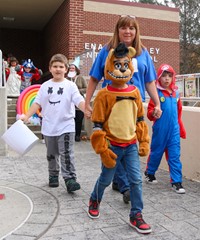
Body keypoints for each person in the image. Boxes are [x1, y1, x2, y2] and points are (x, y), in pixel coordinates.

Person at [85, 15, 162, 203]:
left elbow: (150, 80)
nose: (128, 31)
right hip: (111, 105)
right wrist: (87, 102)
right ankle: (126, 186)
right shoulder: (107, 50)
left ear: (136, 31)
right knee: (114, 142)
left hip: (134, 106)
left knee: (130, 143)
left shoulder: (142, 52)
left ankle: (118, 181)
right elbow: (95, 77)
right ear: (117, 30)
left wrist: (157, 103)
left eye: (131, 28)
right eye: (123, 28)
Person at [88, 42, 152, 234]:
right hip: (112, 146)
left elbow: (140, 119)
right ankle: (94, 199)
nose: (122, 69)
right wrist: (103, 150)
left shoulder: (134, 92)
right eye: (118, 65)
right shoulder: (104, 94)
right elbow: (97, 125)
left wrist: (143, 141)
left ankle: (136, 214)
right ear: (109, 66)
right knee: (106, 179)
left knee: (136, 180)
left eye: (125, 65)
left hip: (131, 144)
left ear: (130, 66)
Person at [20, 53, 85, 193]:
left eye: (61, 66)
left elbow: (78, 100)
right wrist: (26, 116)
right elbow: (37, 103)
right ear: (50, 68)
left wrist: (87, 109)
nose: (58, 69)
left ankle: (70, 179)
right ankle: (53, 175)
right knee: (51, 154)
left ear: (66, 69)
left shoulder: (70, 86)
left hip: (66, 126)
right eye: (55, 66)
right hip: (49, 126)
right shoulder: (44, 86)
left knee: (67, 153)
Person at [144, 64, 186, 194]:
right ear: (159, 77)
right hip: (160, 129)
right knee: (156, 152)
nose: (167, 79)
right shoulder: (156, 93)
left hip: (174, 130)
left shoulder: (176, 93)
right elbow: (150, 112)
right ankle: (150, 173)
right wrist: (153, 113)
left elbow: (179, 112)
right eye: (164, 76)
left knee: (174, 155)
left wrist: (180, 127)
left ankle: (176, 181)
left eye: (169, 76)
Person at [66, 57, 88, 142]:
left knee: (79, 119)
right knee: (71, 120)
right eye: (70, 68)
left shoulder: (80, 78)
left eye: (73, 68)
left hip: (79, 103)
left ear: (76, 69)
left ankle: (77, 135)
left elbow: (86, 88)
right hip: (69, 103)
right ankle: (70, 136)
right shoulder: (67, 79)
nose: (71, 69)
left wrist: (76, 91)